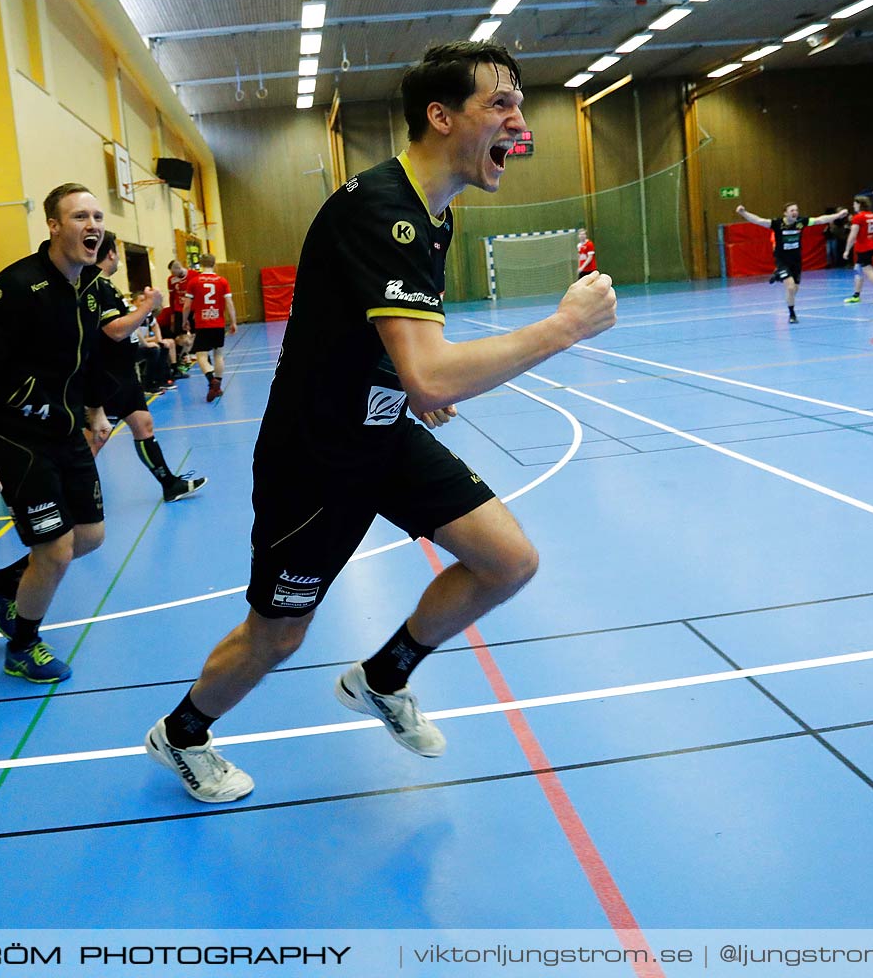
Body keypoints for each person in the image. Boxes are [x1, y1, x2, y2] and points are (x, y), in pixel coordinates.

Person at [143, 41, 617, 804]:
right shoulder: (383, 212)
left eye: (518, 105)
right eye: (501, 104)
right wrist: (563, 328)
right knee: (279, 635)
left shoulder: (433, 219)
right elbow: (429, 367)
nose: (519, 122)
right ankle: (183, 733)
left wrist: (410, 383)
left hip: (383, 430)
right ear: (441, 115)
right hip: (316, 458)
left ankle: (383, 675)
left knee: (507, 560)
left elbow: (405, 362)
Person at [0, 184, 112, 683]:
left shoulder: (91, 287)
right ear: (53, 225)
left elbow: (86, 361)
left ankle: (2, 582)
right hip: (17, 437)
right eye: (79, 217)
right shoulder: (16, 287)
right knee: (56, 549)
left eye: (97, 216)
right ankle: (22, 645)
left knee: (89, 536)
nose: (92, 226)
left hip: (67, 432)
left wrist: (95, 411)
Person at [89, 230, 206, 502]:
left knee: (143, 424)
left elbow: (125, 325)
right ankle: (69, 492)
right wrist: (147, 307)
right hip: (109, 374)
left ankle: (169, 485)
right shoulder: (97, 286)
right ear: (110, 254)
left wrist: (143, 308)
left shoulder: (107, 286)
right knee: (97, 437)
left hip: (123, 372)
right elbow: (114, 331)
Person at [735, 201, 846, 323]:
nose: (795, 212)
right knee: (791, 287)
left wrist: (837, 215)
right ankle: (792, 314)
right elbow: (759, 221)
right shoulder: (777, 223)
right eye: (792, 210)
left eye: (796, 210)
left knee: (794, 290)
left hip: (796, 261)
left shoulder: (801, 222)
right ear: (785, 213)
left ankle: (778, 276)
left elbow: (820, 220)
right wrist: (743, 213)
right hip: (782, 261)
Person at [180, 253, 236, 403]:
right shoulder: (222, 281)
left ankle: (212, 381)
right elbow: (229, 303)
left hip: (203, 323)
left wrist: (184, 321)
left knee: (201, 356)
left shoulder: (194, 281)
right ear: (214, 264)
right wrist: (233, 321)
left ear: (200, 264)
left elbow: (186, 305)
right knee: (218, 354)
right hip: (218, 323)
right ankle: (217, 385)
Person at [842, 195, 873, 304]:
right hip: (870, 246)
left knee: (868, 271)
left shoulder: (858, 217)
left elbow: (853, 235)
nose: (853, 206)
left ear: (859, 204)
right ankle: (856, 295)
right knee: (858, 269)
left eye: (854, 204)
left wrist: (847, 249)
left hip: (863, 248)